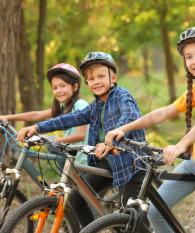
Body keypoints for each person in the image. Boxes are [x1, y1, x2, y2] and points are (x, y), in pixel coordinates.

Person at [105, 27, 195, 233]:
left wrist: (181, 145)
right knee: (154, 213)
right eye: (189, 57)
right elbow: (163, 113)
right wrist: (124, 128)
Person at [17, 52, 146, 227]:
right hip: (105, 162)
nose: (96, 81)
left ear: (113, 77)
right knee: (77, 198)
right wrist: (37, 128)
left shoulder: (122, 96)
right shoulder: (96, 105)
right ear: (86, 82)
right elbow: (70, 118)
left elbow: (130, 115)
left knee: (130, 218)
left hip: (129, 162)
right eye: (91, 78)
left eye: (101, 76)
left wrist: (114, 135)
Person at [0, 63, 89, 165]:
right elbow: (36, 115)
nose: (59, 90)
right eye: (55, 88)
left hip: (83, 160)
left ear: (75, 86)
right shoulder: (64, 107)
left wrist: (53, 141)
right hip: (73, 157)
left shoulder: (80, 104)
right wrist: (7, 117)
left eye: (63, 86)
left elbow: (81, 135)